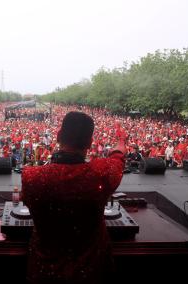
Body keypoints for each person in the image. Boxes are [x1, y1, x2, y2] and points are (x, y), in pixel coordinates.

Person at [22, 111, 126, 284]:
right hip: (93, 274)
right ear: (90, 143)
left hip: (44, 274)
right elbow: (117, 158)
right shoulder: (102, 173)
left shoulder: (31, 177)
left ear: (58, 136)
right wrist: (120, 146)